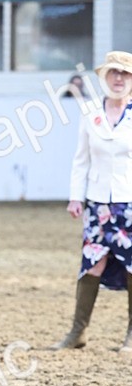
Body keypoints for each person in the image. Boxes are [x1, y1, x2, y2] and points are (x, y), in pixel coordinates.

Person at [54, 50, 132, 351]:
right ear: (104, 77)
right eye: (113, 72)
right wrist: (76, 197)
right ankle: (78, 332)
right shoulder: (90, 114)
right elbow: (81, 161)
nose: (118, 78)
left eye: (124, 74)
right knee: (92, 265)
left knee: (130, 266)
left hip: (129, 203)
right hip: (97, 204)